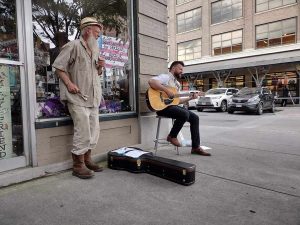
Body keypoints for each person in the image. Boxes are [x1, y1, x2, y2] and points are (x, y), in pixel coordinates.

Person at [52, 17, 105, 179]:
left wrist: (100, 68)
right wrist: (69, 84)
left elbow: (96, 74)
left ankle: (87, 159)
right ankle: (78, 165)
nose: (98, 36)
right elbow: (58, 67)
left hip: (93, 98)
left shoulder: (94, 49)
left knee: (94, 131)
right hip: (77, 97)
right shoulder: (73, 46)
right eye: (96, 32)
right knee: (82, 131)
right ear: (87, 30)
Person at [148, 61, 211, 156]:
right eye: (180, 69)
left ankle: (195, 147)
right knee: (184, 114)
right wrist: (166, 90)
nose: (182, 71)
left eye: (182, 70)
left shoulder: (177, 84)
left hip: (172, 107)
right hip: (161, 107)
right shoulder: (166, 77)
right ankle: (172, 136)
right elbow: (151, 81)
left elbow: (176, 101)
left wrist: (190, 97)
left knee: (195, 118)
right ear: (173, 68)